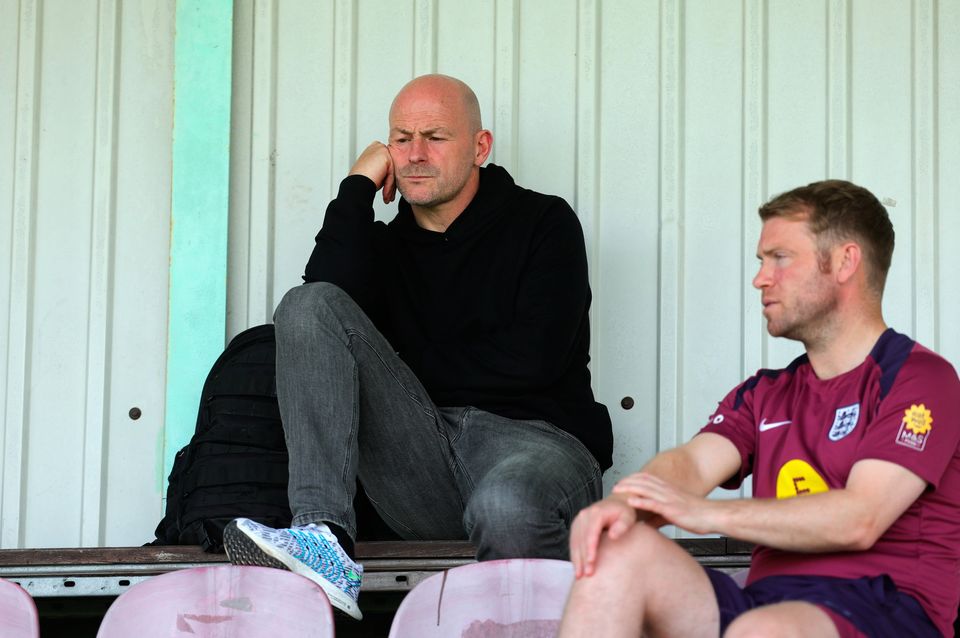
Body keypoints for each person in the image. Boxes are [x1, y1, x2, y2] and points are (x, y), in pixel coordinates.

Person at [222, 74, 612, 620]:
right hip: (420, 459)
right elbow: (318, 306)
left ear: (480, 146)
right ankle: (323, 537)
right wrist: (358, 184)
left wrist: (397, 367)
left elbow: (534, 360)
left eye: (435, 136)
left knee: (505, 505)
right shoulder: (381, 251)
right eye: (401, 139)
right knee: (307, 304)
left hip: (534, 446)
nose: (415, 154)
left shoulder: (543, 222)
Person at [559, 180, 960, 638]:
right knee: (616, 550)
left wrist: (704, 514)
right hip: (765, 604)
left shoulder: (920, 378)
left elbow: (860, 519)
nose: (761, 278)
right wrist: (624, 506)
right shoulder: (767, 392)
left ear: (847, 262)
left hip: (884, 608)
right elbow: (689, 463)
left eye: (780, 258)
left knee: (762, 631)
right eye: (761, 261)